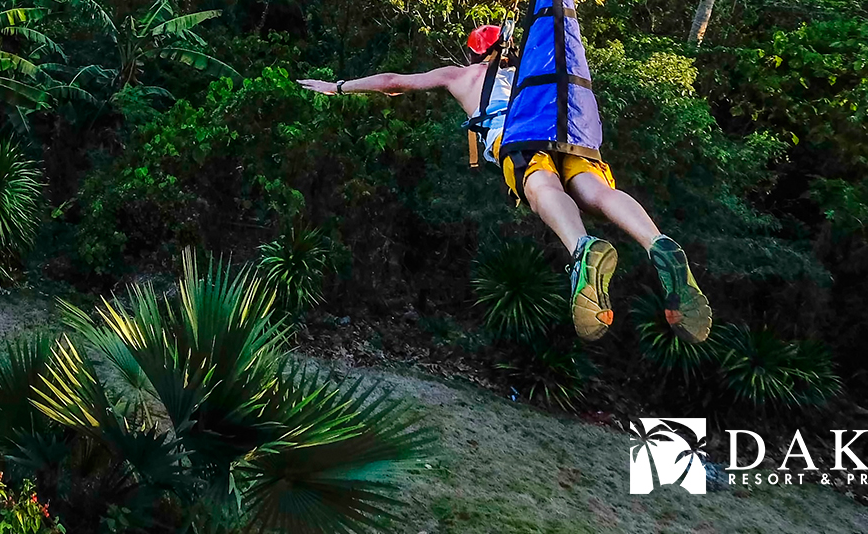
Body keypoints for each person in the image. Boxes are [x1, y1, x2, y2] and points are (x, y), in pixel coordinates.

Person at [298, 25, 712, 345]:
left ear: (474, 51)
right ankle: (656, 241)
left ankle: (581, 247)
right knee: (594, 191)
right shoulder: (536, 73)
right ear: (509, 50)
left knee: (540, 187)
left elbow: (392, 81)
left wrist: (337, 87)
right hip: (566, 128)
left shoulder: (462, 75)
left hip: (515, 134)